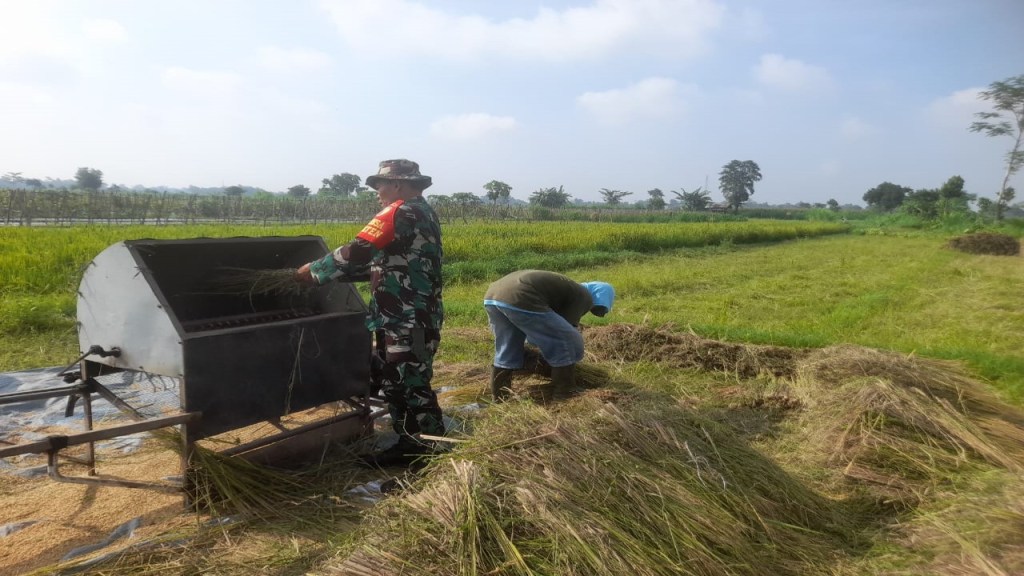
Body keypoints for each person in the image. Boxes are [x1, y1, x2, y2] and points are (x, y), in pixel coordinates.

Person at [296, 159, 444, 466]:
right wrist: (335, 275)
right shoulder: (422, 212)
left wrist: (315, 271)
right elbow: (386, 263)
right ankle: (409, 444)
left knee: (412, 383)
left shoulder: (400, 212)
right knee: (397, 382)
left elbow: (359, 249)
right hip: (402, 317)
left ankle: (431, 452)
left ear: (398, 184)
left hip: (408, 319)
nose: (377, 192)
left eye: (380, 185)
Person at [483, 270, 615, 401]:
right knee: (566, 341)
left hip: (493, 296)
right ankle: (564, 393)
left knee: (507, 349)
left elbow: (546, 325)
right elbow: (564, 330)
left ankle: (499, 398)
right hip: (521, 295)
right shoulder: (584, 295)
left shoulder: (567, 288)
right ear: (601, 296)